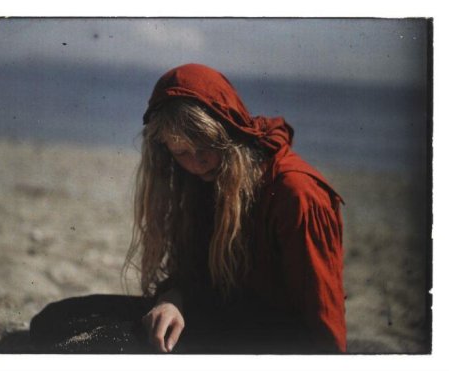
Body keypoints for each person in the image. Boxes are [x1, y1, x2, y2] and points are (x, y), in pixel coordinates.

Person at [29, 63, 346, 354]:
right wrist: (173, 299)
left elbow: (323, 316)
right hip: (215, 314)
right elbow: (194, 271)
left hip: (267, 341)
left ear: (227, 130)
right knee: (54, 320)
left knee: (100, 346)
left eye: (205, 145)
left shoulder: (296, 193)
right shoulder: (201, 177)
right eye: (182, 152)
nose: (197, 162)